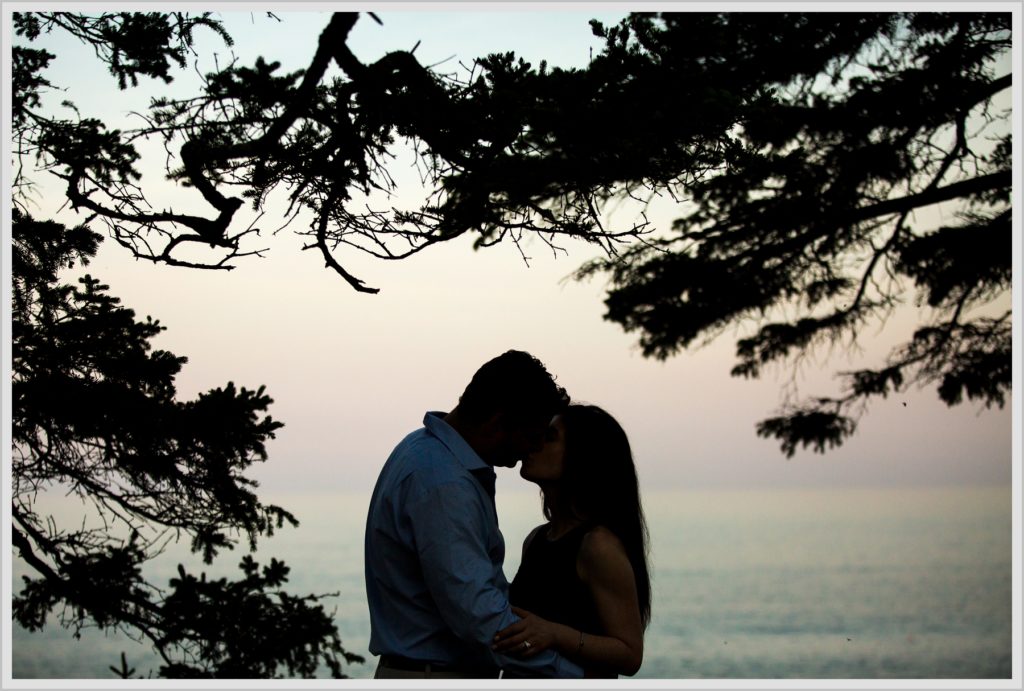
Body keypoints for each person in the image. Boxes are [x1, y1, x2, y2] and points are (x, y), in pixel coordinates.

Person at [364, 350, 583, 678]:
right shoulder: (444, 482)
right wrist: (574, 674)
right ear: (498, 423)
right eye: (532, 435)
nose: (534, 447)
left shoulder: (423, 451)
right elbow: (480, 617)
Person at [492, 404, 651, 678]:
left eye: (550, 437)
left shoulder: (597, 546)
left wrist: (554, 634)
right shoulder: (537, 539)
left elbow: (630, 654)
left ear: (583, 456)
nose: (534, 442)